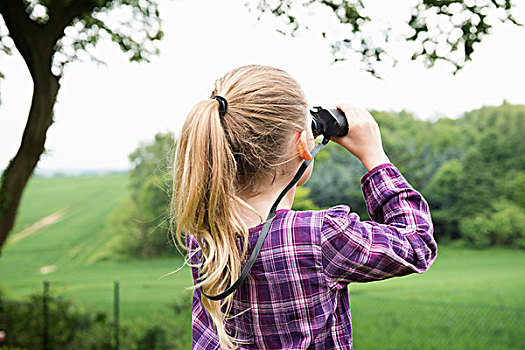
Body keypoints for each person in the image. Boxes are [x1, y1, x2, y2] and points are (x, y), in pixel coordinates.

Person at [170, 64, 437, 349]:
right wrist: (375, 156)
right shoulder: (320, 236)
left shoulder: (204, 232)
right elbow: (417, 243)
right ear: (302, 144)